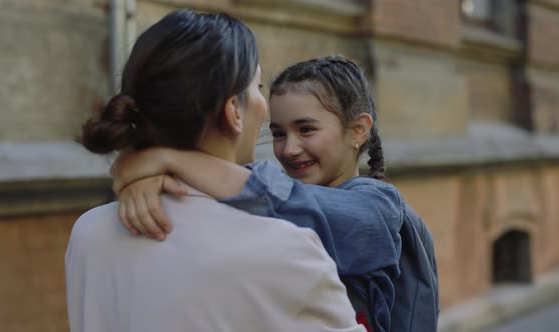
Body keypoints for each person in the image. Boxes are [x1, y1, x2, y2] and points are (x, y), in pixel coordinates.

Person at [66, 9, 367, 332]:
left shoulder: (89, 233)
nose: (263, 105)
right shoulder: (285, 249)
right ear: (233, 110)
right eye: (258, 86)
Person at [112, 56, 440, 332]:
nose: (289, 149)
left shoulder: (379, 206)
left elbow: (286, 200)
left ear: (358, 130)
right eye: (279, 133)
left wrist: (168, 160)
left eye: (306, 129)